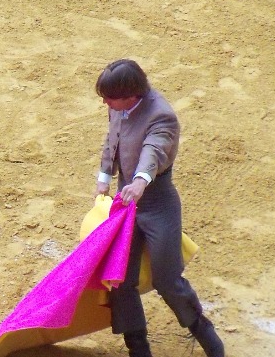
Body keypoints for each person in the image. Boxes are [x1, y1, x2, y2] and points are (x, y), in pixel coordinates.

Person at [92, 59, 224, 357]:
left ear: (131, 95)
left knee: (167, 279)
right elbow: (112, 139)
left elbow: (154, 151)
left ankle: (205, 334)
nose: (105, 103)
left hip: (158, 204)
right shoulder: (118, 107)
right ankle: (138, 348)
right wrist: (104, 177)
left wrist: (140, 181)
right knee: (119, 278)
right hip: (127, 203)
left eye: (110, 98)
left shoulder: (162, 116)